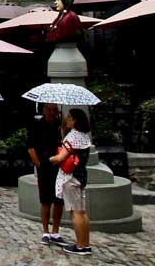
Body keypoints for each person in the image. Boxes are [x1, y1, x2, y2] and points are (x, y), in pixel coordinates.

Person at [51, 108, 93, 256]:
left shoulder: (72, 136)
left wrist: (52, 159)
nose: (66, 119)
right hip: (81, 177)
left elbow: (61, 157)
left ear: (75, 120)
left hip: (70, 178)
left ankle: (80, 246)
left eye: (69, 117)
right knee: (82, 212)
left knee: (75, 213)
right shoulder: (84, 136)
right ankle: (86, 244)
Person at [28, 102, 65, 244]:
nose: (51, 112)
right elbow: (31, 147)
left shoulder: (60, 125)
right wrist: (38, 164)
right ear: (44, 110)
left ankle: (55, 231)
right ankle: (45, 231)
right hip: (44, 166)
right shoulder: (37, 125)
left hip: (59, 167)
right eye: (49, 109)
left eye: (54, 109)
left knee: (58, 200)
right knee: (45, 200)